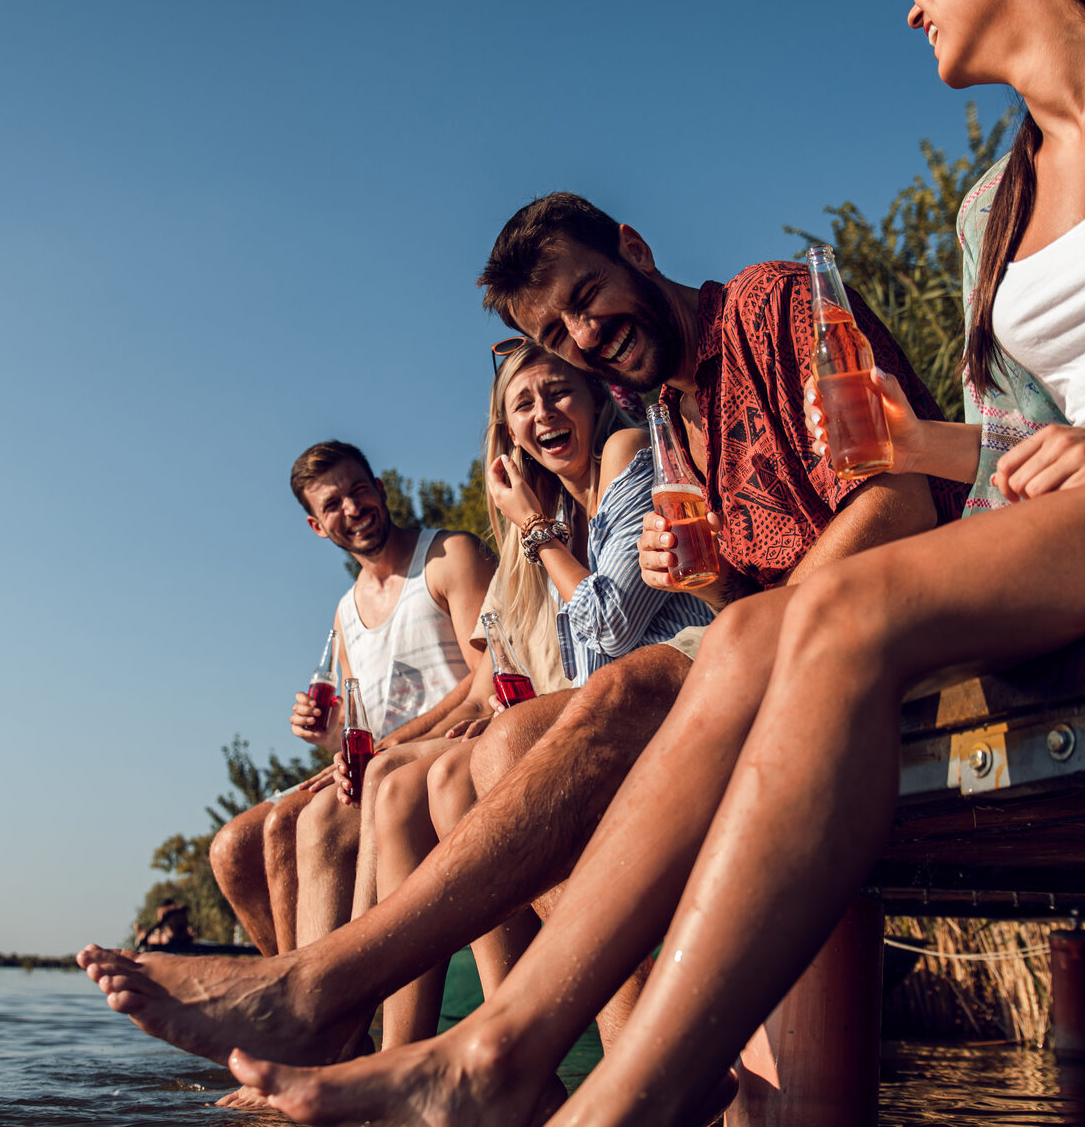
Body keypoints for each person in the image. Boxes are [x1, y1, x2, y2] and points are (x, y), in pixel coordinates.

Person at [215, 0, 1085, 1126]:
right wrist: (911, 459)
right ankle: (498, 1050)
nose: (909, 3)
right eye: (551, 332)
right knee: (689, 661)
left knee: (811, 618)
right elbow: (1018, 446)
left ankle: (555, 1075)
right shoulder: (992, 206)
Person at [75, 193, 966, 1086]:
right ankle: (591, 1062)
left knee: (611, 695)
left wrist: (742, 618)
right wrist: (713, 584)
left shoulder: (769, 304)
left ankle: (329, 993)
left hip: (896, 619)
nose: (584, 334)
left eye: (586, 296)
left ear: (635, 247)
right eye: (557, 328)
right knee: (508, 742)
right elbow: (708, 601)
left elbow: (900, 500)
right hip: (779, 652)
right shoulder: (672, 415)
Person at [370, 343, 718, 1050]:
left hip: (690, 685)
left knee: (489, 757)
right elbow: (510, 666)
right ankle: (476, 1049)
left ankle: (611, 1046)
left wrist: (533, 530)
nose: (542, 414)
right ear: (507, 438)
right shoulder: (562, 514)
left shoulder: (624, 452)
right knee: (437, 775)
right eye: (521, 406)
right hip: (619, 706)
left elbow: (612, 627)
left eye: (556, 393)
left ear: (596, 400)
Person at [205, 441, 492, 973]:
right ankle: (287, 982)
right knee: (234, 845)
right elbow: (362, 726)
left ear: (381, 490)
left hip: (439, 752)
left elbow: (487, 679)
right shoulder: (344, 611)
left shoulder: (449, 555)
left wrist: (383, 748)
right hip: (380, 758)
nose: (352, 508)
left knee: (297, 821)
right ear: (317, 526)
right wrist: (332, 736)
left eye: (359, 490)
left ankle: (313, 994)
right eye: (332, 503)